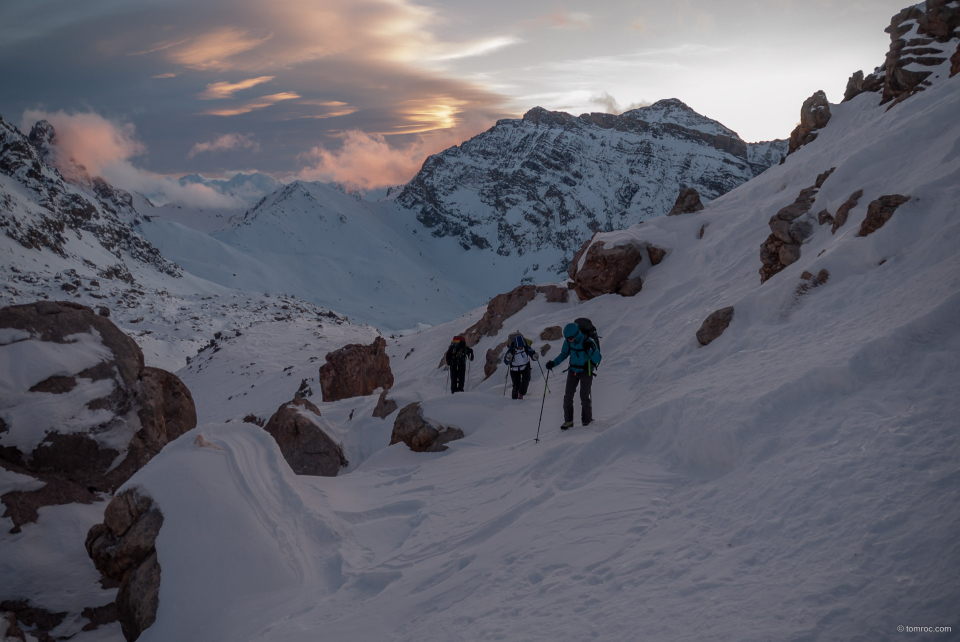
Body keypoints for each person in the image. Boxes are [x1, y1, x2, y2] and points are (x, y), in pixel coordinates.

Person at [545, 322, 601, 429]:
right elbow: (564, 354)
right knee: (567, 397)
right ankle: (568, 421)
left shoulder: (589, 341)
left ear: (576, 335)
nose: (569, 340)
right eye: (567, 338)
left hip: (586, 371)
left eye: (570, 338)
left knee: (584, 397)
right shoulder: (568, 341)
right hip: (573, 371)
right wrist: (553, 363)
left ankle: (587, 422)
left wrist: (592, 350)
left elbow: (598, 359)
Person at [504, 332, 538, 399]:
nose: (520, 347)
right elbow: (505, 361)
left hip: (525, 366)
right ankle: (514, 400)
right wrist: (508, 358)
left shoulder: (525, 347)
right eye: (519, 346)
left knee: (526, 379)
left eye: (521, 346)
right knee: (516, 385)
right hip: (514, 369)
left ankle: (521, 394)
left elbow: (532, 354)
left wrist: (535, 356)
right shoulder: (511, 350)